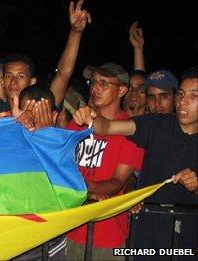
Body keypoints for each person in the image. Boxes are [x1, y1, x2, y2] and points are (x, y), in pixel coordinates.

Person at [72, 66, 198, 258]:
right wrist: (90, 119)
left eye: (193, 96)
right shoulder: (156, 124)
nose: (183, 101)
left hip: (186, 238)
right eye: (181, 94)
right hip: (144, 231)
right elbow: (107, 127)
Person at [65, 63, 144, 260]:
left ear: (122, 90)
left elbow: (118, 182)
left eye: (104, 83)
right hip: (72, 227)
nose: (95, 88)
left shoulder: (131, 130)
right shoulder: (76, 124)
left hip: (108, 234)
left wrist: (87, 188)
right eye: (94, 82)